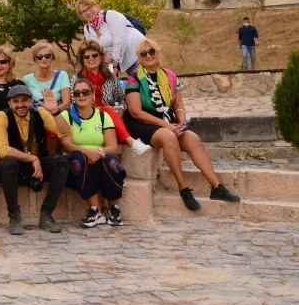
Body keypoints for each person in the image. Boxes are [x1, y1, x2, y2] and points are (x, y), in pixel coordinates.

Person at [123, 39, 241, 210]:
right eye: (143, 53)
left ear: (158, 52)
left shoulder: (169, 75)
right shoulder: (134, 78)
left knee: (193, 139)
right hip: (142, 122)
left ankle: (217, 187)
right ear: (139, 58)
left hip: (166, 121)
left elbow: (178, 105)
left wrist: (181, 122)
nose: (148, 55)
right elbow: (135, 112)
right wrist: (168, 126)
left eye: (152, 51)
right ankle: (183, 188)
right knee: (169, 137)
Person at [0, 85, 71, 235]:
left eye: (24, 100)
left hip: (36, 167)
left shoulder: (40, 113)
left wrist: (55, 112)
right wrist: (32, 158)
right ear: (9, 103)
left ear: (30, 101)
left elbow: (66, 132)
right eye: (15, 101)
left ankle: (47, 214)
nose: (20, 105)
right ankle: (14, 216)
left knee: (61, 161)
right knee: (7, 163)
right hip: (13, 165)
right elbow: (2, 150)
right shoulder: (3, 116)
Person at [60, 78, 127, 228]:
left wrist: (97, 153)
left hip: (100, 156)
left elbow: (112, 146)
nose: (81, 96)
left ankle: (114, 208)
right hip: (79, 160)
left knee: (111, 161)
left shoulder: (103, 116)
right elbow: (66, 144)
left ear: (92, 94)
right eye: (77, 93)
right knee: (78, 160)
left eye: (85, 92)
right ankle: (95, 210)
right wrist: (87, 153)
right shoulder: (67, 116)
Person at [72, 40, 151, 156]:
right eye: (86, 57)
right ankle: (131, 143)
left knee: (111, 111)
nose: (91, 59)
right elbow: (74, 102)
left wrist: (121, 109)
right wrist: (101, 109)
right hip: (86, 117)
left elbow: (123, 98)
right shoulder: (77, 80)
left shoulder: (109, 78)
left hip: (109, 117)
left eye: (94, 55)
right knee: (107, 110)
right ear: (82, 61)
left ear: (101, 57)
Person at [77, 0, 145, 75]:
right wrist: (105, 56)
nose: (88, 12)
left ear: (96, 6)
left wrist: (114, 64)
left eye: (89, 7)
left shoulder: (111, 15)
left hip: (138, 53)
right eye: (84, 11)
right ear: (81, 15)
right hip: (121, 59)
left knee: (145, 82)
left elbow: (120, 40)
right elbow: (95, 49)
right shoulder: (87, 29)